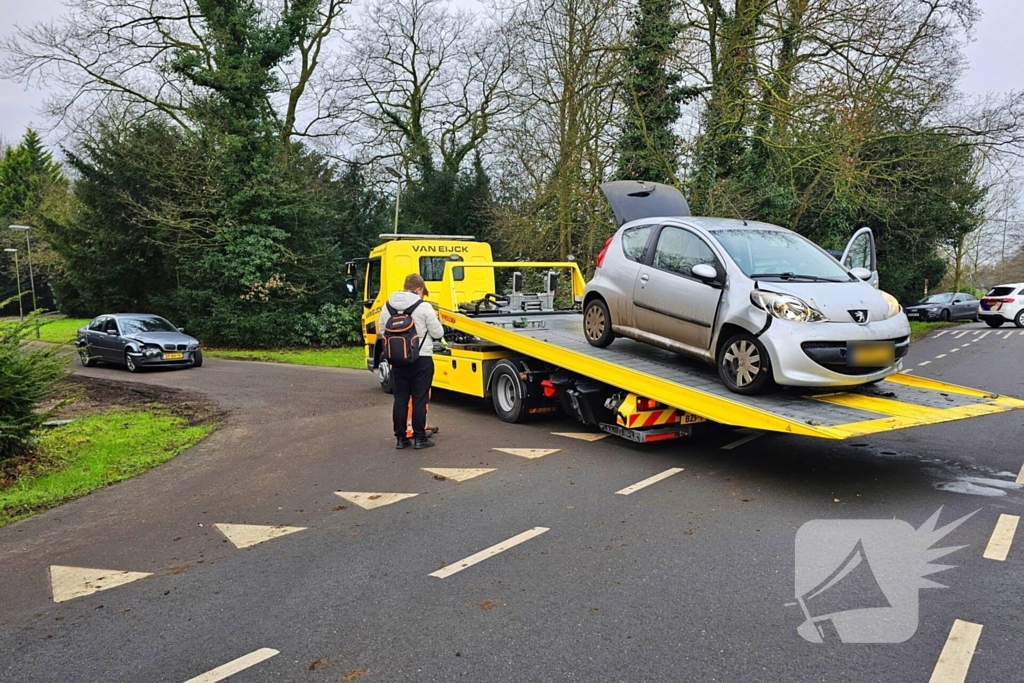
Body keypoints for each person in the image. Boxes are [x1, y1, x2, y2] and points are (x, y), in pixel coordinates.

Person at [380, 273, 445, 450]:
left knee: (400, 399)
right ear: (418, 289)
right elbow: (438, 333)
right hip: (421, 360)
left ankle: (401, 439)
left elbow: (381, 332)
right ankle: (420, 438)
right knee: (419, 399)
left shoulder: (387, 307)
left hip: (397, 361)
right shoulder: (424, 307)